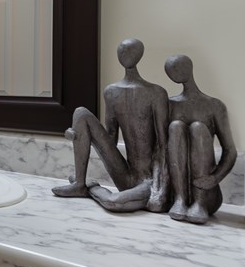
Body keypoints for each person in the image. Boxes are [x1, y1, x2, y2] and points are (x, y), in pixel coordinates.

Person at [52, 39, 169, 212]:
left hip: (148, 180)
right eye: (121, 50)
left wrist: (160, 186)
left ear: (139, 55)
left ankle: (91, 188)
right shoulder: (112, 92)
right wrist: (80, 135)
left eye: (129, 51)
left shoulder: (156, 93)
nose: (124, 54)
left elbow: (163, 144)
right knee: (81, 113)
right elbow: (110, 138)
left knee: (113, 202)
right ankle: (79, 182)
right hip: (125, 175)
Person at [164, 54, 236, 224]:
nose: (173, 73)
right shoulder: (169, 105)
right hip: (176, 192)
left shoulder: (214, 106)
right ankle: (180, 198)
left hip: (206, 191)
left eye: (176, 68)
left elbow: (230, 150)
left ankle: (200, 202)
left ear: (189, 67)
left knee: (198, 128)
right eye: (170, 71)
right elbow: (161, 147)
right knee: (175, 127)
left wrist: (215, 178)